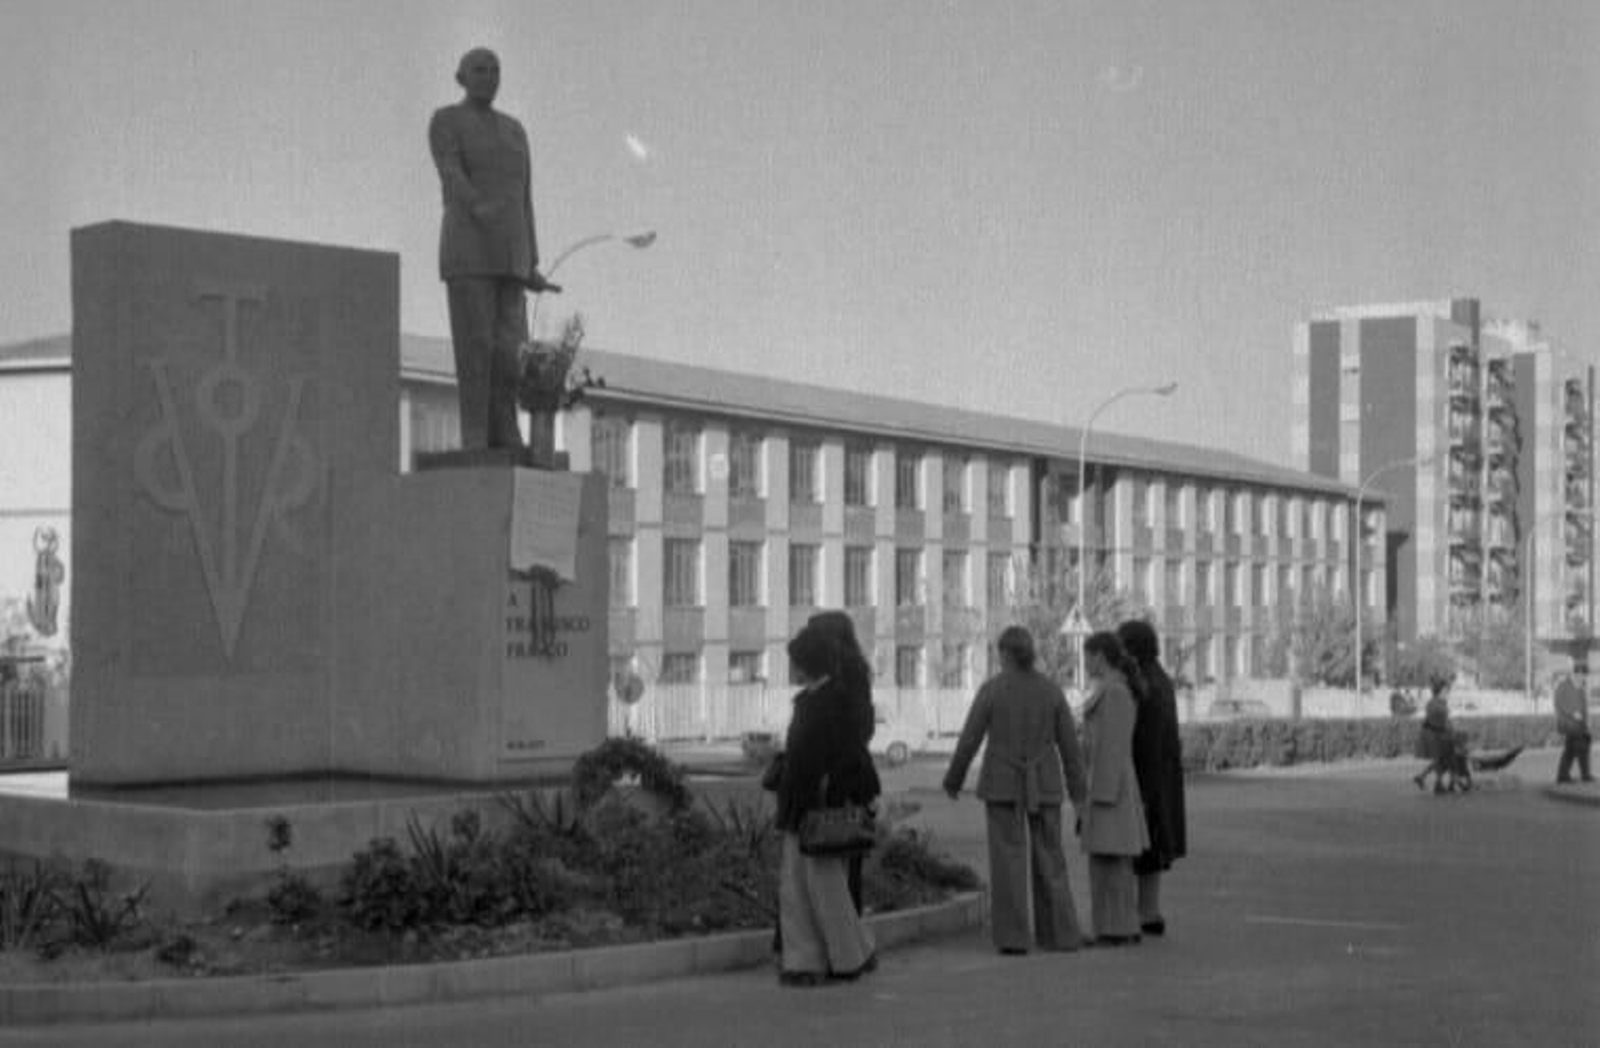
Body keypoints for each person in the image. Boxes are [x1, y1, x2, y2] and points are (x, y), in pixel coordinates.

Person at [429, 47, 560, 453]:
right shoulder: (447, 120)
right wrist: (477, 207)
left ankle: (505, 429)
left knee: (509, 352)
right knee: (476, 346)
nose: (489, 77)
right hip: (469, 249)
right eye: (479, 70)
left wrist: (532, 260)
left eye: (495, 70)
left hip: (511, 257)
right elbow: (450, 171)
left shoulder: (515, 130)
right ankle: (475, 435)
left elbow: (525, 197)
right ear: (461, 77)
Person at [943, 626, 1089, 955]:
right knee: (1051, 858)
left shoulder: (992, 690)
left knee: (1007, 860)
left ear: (1004, 654)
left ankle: (1013, 938)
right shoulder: (1052, 692)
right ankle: (1060, 934)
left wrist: (954, 779)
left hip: (1002, 783)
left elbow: (969, 739)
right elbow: (1071, 749)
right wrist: (1080, 795)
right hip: (1046, 782)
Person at [772, 622, 879, 986]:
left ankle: (825, 959)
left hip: (813, 809)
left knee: (812, 889)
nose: (792, 669)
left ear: (808, 663)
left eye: (796, 662)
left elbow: (834, 757)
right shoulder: (832, 698)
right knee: (813, 887)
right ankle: (832, 958)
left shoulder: (825, 703)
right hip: (812, 806)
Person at [1078, 631, 1150, 946]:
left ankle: (1117, 928)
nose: (1085, 662)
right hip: (1109, 786)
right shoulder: (1112, 690)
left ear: (1100, 656)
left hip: (1111, 789)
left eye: (1088, 655)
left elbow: (1112, 747)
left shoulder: (1116, 693)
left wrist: (1101, 795)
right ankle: (1115, 927)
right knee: (1108, 863)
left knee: (1114, 863)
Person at [806, 610, 880, 914]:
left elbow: (833, 734)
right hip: (858, 780)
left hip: (836, 781)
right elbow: (864, 729)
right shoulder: (857, 675)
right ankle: (850, 939)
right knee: (849, 862)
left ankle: (841, 943)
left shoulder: (834, 682)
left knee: (827, 861)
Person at [1117, 619, 1187, 938]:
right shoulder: (1161, 679)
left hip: (1148, 778)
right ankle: (1150, 912)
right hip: (1163, 778)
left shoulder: (1144, 685)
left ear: (1131, 648)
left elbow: (1142, 742)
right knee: (1153, 850)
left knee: (1141, 847)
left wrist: (1139, 790)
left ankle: (1140, 914)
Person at [1554, 661, 1594, 784]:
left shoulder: (1581, 688)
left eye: (1584, 675)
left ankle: (1562, 776)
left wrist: (1587, 721)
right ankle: (1585, 775)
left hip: (1580, 725)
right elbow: (1558, 702)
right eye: (1581, 675)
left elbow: (1584, 707)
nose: (1583, 678)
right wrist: (1572, 712)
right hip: (1568, 723)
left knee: (1571, 750)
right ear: (1575, 673)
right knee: (1581, 747)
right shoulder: (1563, 685)